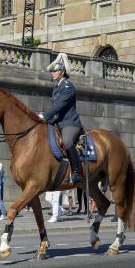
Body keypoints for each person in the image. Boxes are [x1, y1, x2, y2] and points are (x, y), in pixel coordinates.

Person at [38, 52, 84, 184]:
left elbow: (59, 106)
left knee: (67, 141)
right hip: (57, 122)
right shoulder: (57, 87)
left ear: (62, 72)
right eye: (51, 71)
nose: (52, 73)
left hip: (69, 123)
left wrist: (44, 115)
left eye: (55, 71)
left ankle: (76, 172)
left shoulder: (68, 87)